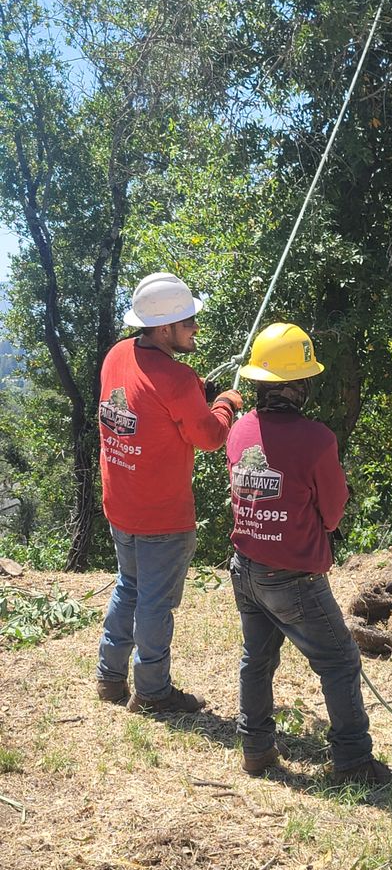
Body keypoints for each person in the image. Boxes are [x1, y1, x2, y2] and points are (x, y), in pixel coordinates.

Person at [226, 322, 392, 786]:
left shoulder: (239, 431)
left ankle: (255, 748)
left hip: (246, 568)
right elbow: (332, 514)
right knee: (339, 661)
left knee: (257, 658)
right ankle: (352, 761)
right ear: (300, 385)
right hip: (293, 577)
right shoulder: (317, 439)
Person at [95, 272, 243, 713]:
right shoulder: (178, 380)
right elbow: (211, 437)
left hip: (120, 505)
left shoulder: (117, 355)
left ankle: (110, 677)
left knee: (130, 586)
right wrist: (226, 405)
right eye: (188, 321)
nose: (196, 327)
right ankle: (153, 692)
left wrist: (200, 395)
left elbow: (149, 406)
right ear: (165, 329)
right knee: (155, 606)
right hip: (162, 515)